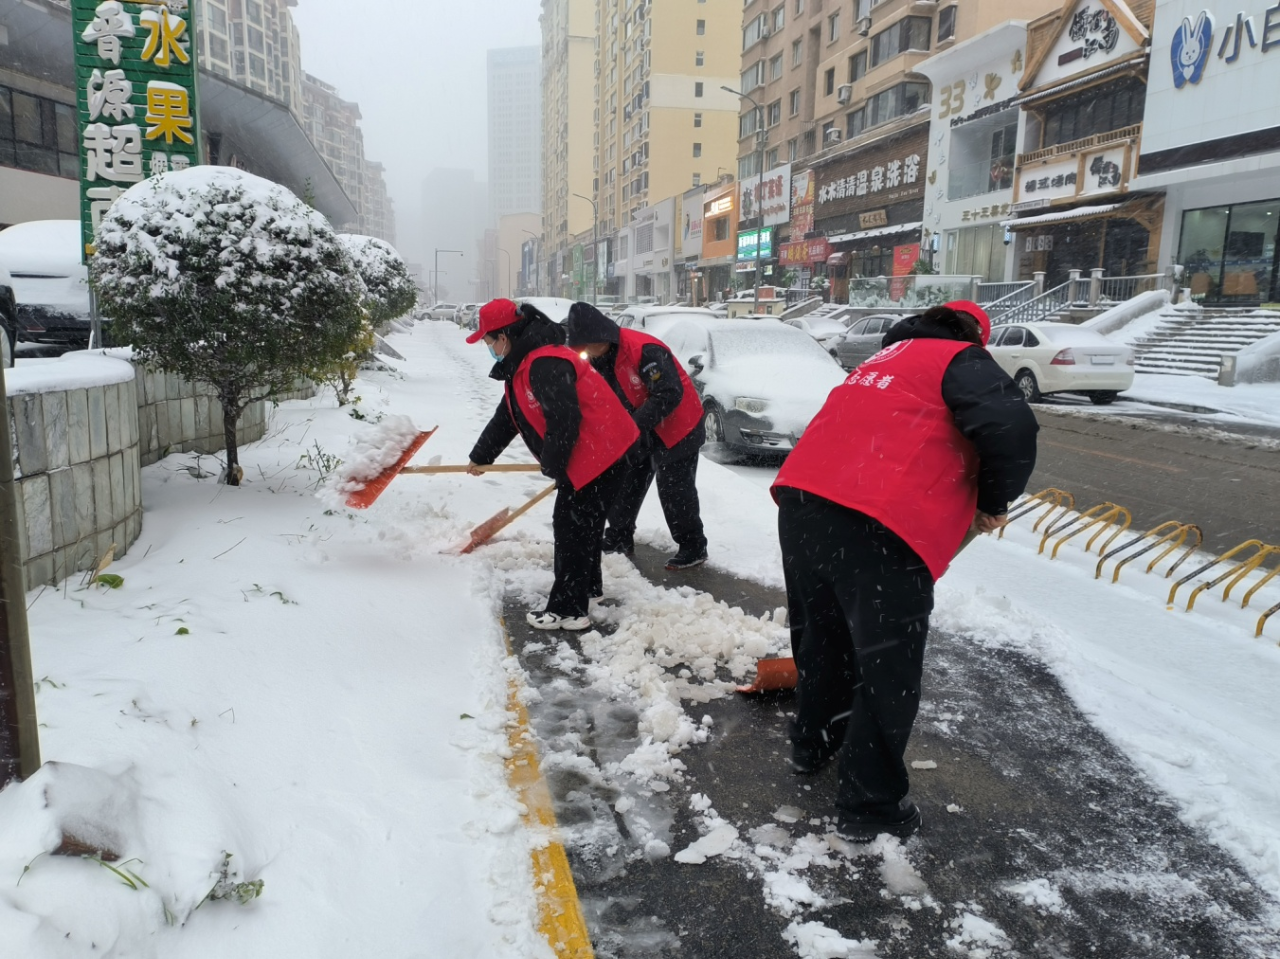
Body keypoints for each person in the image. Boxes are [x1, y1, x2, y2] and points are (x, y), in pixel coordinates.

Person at [770, 301, 1038, 842]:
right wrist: (992, 498)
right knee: (886, 665)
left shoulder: (879, 360)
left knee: (822, 637)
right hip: (881, 524)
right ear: (974, 337)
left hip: (804, 505)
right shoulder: (959, 357)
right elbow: (1011, 426)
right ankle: (869, 804)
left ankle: (813, 743)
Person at [466, 299, 640, 631]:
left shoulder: (544, 362)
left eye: (489, 341)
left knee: (571, 528)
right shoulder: (524, 364)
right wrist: (481, 456)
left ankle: (568, 610)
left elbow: (564, 419)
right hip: (598, 453)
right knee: (582, 527)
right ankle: (586, 591)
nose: (489, 348)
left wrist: (554, 465)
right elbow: (508, 416)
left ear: (504, 335)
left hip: (603, 454)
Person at [564, 302, 709, 570]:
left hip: (680, 427)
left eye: (583, 346)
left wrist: (631, 425)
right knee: (624, 482)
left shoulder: (644, 350)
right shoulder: (599, 359)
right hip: (642, 429)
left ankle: (693, 546)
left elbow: (669, 394)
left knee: (675, 490)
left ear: (599, 337)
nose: (581, 352)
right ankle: (619, 537)